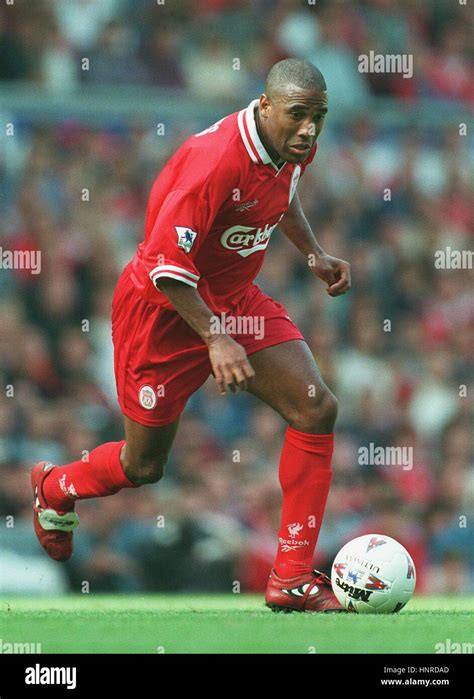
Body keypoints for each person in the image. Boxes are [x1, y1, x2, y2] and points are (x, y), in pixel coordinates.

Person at [32, 58, 351, 612]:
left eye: (318, 117)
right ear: (266, 104)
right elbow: (163, 264)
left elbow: (283, 194)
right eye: (299, 116)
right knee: (144, 466)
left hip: (234, 300)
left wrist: (314, 252)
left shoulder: (292, 144)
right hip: (162, 312)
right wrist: (215, 338)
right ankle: (57, 486)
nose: (310, 130)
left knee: (316, 409)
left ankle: (292, 577)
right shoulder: (215, 161)